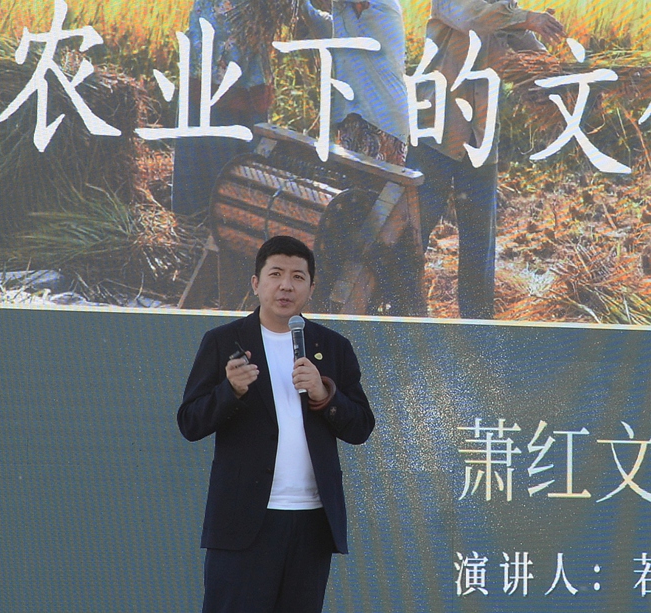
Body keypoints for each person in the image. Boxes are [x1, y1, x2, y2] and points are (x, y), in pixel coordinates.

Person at [178, 235, 375, 613]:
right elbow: (190, 422)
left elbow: (361, 427)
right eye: (276, 274)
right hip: (242, 523)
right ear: (256, 283)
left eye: (298, 277)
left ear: (311, 288)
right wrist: (230, 391)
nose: (286, 285)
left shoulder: (333, 347)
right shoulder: (223, 342)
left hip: (312, 525)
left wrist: (325, 395)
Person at [407, 0, 565, 318]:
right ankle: (399, 315)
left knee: (480, 242)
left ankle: (477, 327)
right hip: (436, 132)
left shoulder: (504, 8)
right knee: (414, 233)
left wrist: (559, 76)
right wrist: (527, 18)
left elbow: (526, 45)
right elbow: (472, 18)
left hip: (480, 135)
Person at [171, 0, 286, 216]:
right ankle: (204, 214)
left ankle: (234, 216)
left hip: (248, 62)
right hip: (212, 60)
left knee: (244, 151)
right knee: (211, 137)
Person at [301, 0, 410, 165]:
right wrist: (302, 6)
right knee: (349, 177)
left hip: (381, 119)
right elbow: (324, 25)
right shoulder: (344, 17)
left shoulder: (385, 5)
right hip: (352, 118)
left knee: (374, 179)